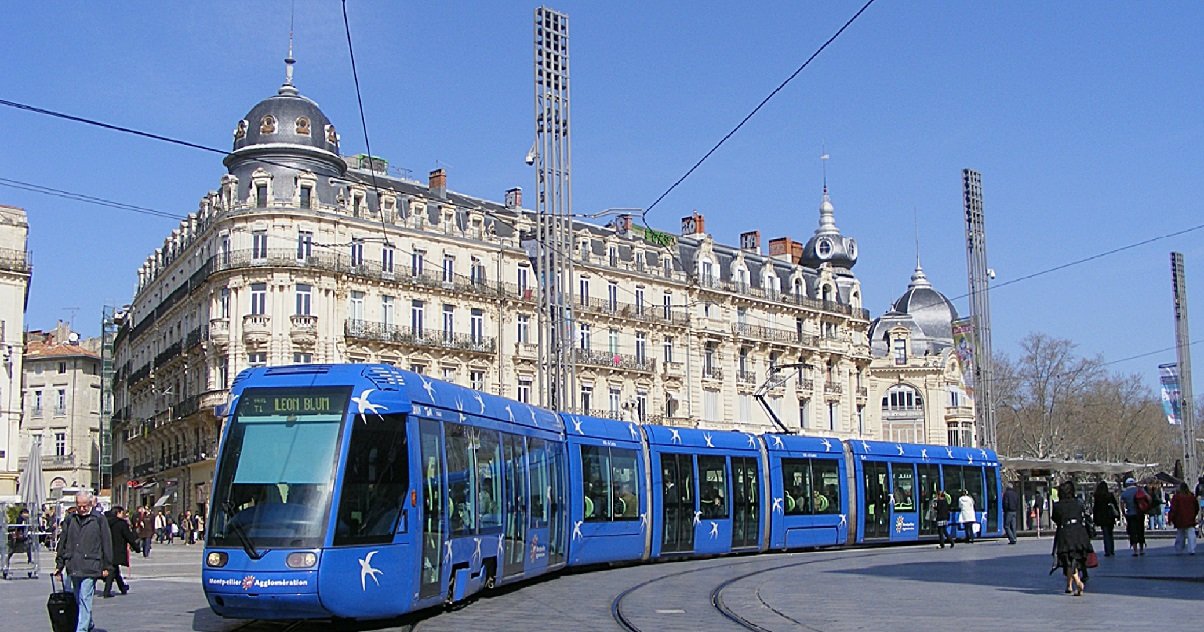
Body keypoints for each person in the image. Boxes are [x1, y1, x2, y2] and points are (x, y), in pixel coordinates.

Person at [55, 491, 113, 632]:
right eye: (79, 506)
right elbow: (63, 541)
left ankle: (81, 629)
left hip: (91, 564)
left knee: (85, 597)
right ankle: (89, 622)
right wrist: (60, 564)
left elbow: (106, 542)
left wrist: (107, 566)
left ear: (91, 504)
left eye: (84, 506)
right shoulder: (70, 519)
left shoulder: (99, 519)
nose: (81, 509)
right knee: (77, 598)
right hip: (73, 564)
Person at [1050, 480, 1093, 596]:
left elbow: (1055, 519)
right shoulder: (1078, 503)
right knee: (1075, 558)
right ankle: (1069, 585)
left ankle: (1078, 582)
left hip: (1065, 533)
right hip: (1079, 533)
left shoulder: (1058, 506)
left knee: (1067, 560)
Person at [103, 505, 141, 598]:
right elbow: (129, 537)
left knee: (115, 570)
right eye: (122, 513)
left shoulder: (104, 522)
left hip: (106, 549)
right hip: (117, 550)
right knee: (112, 570)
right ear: (118, 513)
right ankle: (107, 591)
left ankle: (123, 587)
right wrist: (136, 548)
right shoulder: (121, 524)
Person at [1119, 477, 1146, 556]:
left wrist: (1124, 513)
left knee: (1132, 532)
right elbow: (1148, 498)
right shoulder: (1140, 490)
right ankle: (1141, 549)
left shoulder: (1124, 493)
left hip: (1130, 515)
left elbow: (1122, 505)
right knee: (1141, 530)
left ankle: (1135, 550)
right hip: (1140, 513)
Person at [1091, 481, 1119, 557]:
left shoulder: (1098, 496)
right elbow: (1115, 505)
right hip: (1110, 516)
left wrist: (1095, 519)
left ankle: (1107, 550)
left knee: (1105, 533)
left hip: (1102, 517)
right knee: (1110, 534)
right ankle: (1112, 550)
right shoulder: (1109, 495)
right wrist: (1117, 515)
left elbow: (1095, 508)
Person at [1168, 482, 1197, 555]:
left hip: (1179, 518)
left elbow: (1173, 509)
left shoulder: (1176, 497)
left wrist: (1170, 518)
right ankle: (1192, 549)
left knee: (1180, 534)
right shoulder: (1191, 497)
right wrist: (1194, 514)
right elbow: (1196, 507)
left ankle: (1179, 549)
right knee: (1191, 535)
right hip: (1190, 518)